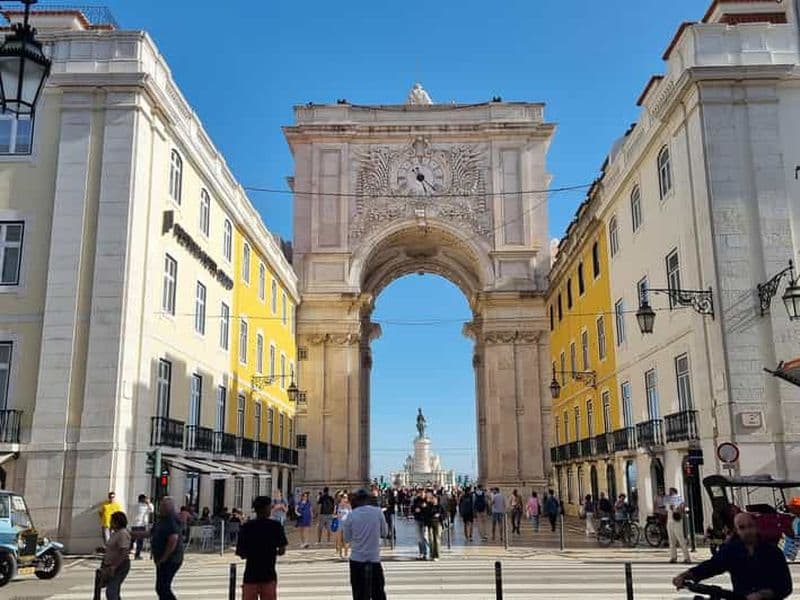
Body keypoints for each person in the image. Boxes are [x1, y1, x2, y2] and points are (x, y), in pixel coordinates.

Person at [673, 513, 792, 600]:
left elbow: (786, 586)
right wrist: (685, 575)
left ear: (756, 527)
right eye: (742, 528)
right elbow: (712, 566)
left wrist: (763, 594)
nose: (747, 531)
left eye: (750, 526)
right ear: (737, 531)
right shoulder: (732, 550)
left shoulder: (772, 552)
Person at [236, 495, 288, 600]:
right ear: (266, 508)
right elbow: (282, 550)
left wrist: (253, 553)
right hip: (268, 574)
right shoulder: (276, 526)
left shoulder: (246, 527)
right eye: (270, 507)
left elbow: (241, 553)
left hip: (251, 575)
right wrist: (272, 552)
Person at [343, 488, 388, 600]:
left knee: (358, 594)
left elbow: (347, 539)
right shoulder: (378, 512)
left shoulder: (351, 516)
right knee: (378, 593)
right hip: (374, 559)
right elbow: (385, 533)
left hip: (357, 560)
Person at [150, 496, 183, 600]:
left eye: (163, 506)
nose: (160, 508)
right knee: (161, 587)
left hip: (171, 559)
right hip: (162, 559)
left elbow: (173, 539)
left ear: (169, 508)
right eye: (160, 506)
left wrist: (164, 558)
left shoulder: (171, 520)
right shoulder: (161, 520)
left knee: (163, 587)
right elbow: (151, 533)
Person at [99, 511, 131, 600]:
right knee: (113, 590)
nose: (110, 523)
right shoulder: (115, 533)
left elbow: (124, 551)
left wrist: (114, 566)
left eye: (112, 521)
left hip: (119, 565)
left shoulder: (123, 533)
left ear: (117, 522)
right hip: (109, 564)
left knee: (111, 591)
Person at [664, 487, 691, 564]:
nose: (669, 493)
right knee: (671, 540)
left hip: (676, 521)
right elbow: (667, 509)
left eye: (671, 491)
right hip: (669, 521)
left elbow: (682, 508)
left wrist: (677, 509)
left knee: (681, 539)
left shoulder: (679, 499)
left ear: (674, 492)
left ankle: (687, 558)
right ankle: (673, 557)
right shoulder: (668, 499)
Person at [131, 494, 153, 560]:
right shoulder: (145, 506)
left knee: (132, 540)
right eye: (145, 499)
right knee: (140, 541)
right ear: (143, 499)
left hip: (134, 525)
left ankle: (126, 553)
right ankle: (137, 555)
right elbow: (152, 510)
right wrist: (149, 503)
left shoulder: (134, 506)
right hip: (141, 525)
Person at [412, 488, 429, 559]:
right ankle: (421, 553)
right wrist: (415, 510)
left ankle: (427, 552)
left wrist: (424, 508)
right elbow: (412, 508)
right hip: (418, 519)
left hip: (425, 520)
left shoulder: (428, 500)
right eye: (420, 493)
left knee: (425, 536)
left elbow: (430, 509)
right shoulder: (416, 500)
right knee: (419, 537)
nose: (422, 494)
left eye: (423, 493)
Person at [426, 491, 443, 561]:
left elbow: (444, 514)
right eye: (432, 498)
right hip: (430, 524)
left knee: (437, 539)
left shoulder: (440, 506)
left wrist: (439, 515)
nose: (434, 500)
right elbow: (426, 514)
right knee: (431, 540)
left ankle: (437, 555)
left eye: (435, 498)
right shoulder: (429, 506)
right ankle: (431, 554)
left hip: (438, 524)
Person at [336, 492, 353, 559]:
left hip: (347, 524)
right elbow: (336, 513)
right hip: (340, 523)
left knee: (346, 539)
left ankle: (346, 553)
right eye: (344, 497)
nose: (345, 499)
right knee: (340, 539)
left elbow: (351, 514)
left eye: (346, 497)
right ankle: (340, 553)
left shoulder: (348, 505)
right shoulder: (338, 505)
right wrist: (337, 515)